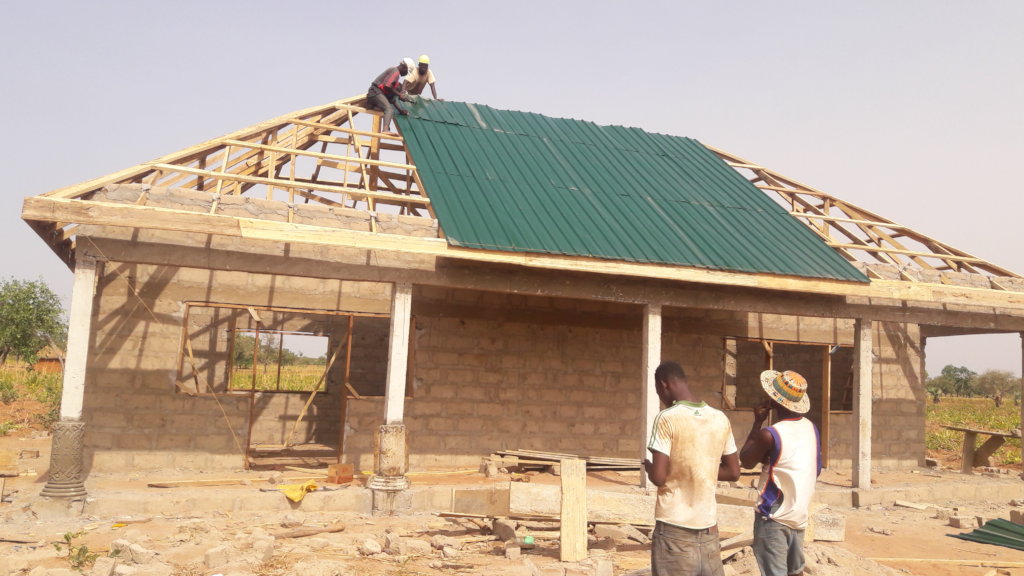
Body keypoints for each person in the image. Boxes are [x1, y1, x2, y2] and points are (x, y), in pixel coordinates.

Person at [643, 361, 741, 576]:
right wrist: (702, 469)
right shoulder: (720, 418)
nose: (660, 396)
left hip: (673, 529)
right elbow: (734, 472)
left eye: (659, 391)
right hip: (708, 530)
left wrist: (650, 469)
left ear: (664, 385)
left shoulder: (667, 418)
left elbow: (659, 477)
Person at [739, 370, 822, 576]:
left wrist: (757, 421)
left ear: (774, 401)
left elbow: (746, 461)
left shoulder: (771, 434)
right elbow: (815, 469)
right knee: (795, 572)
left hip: (774, 516)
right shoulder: (811, 429)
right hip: (798, 514)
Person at [366, 58, 415, 136]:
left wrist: (400, 110)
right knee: (389, 109)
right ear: (404, 67)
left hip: (377, 94)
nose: (406, 74)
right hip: (375, 92)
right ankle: (385, 130)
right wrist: (399, 94)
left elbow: (392, 100)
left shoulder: (395, 77)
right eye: (407, 72)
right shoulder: (395, 71)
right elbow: (387, 86)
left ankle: (371, 105)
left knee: (387, 107)